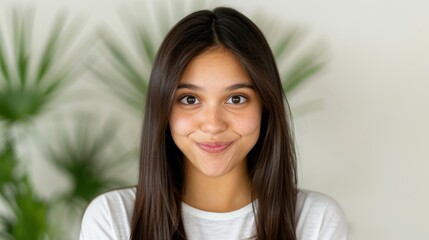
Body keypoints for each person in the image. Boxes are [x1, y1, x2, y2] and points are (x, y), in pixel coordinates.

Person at [79, 7, 348, 240]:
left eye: (236, 98)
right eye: (189, 99)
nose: (213, 124)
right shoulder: (113, 219)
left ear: (265, 106)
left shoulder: (316, 221)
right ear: (163, 109)